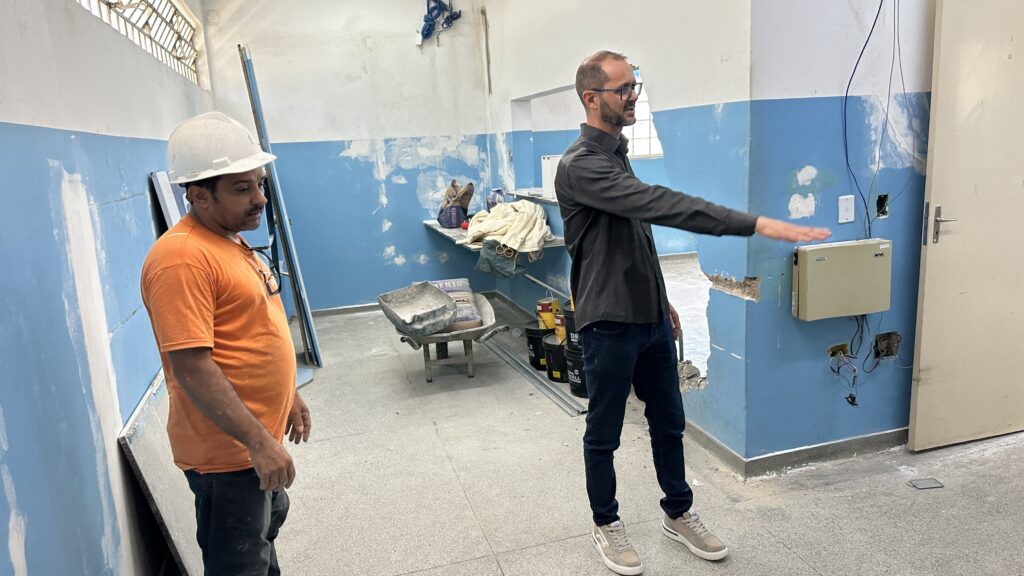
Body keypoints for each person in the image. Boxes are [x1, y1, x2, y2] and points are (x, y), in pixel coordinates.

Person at [555, 51, 831, 576]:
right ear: (591, 98)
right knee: (605, 431)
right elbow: (658, 204)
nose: (634, 96)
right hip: (608, 322)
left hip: (651, 318)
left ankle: (678, 512)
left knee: (669, 423)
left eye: (636, 86)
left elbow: (635, 237)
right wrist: (753, 224)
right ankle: (606, 521)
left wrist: (665, 303)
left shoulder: (615, 152)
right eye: (623, 90)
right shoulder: (582, 165)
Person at [141, 111, 312, 576]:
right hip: (228, 455)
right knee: (238, 563)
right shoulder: (182, 259)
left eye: (258, 183)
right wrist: (259, 441)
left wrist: (288, 393)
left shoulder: (228, 239)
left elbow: (252, 330)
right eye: (242, 189)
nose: (259, 198)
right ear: (199, 195)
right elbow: (193, 367)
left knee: (258, 546)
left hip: (251, 441)